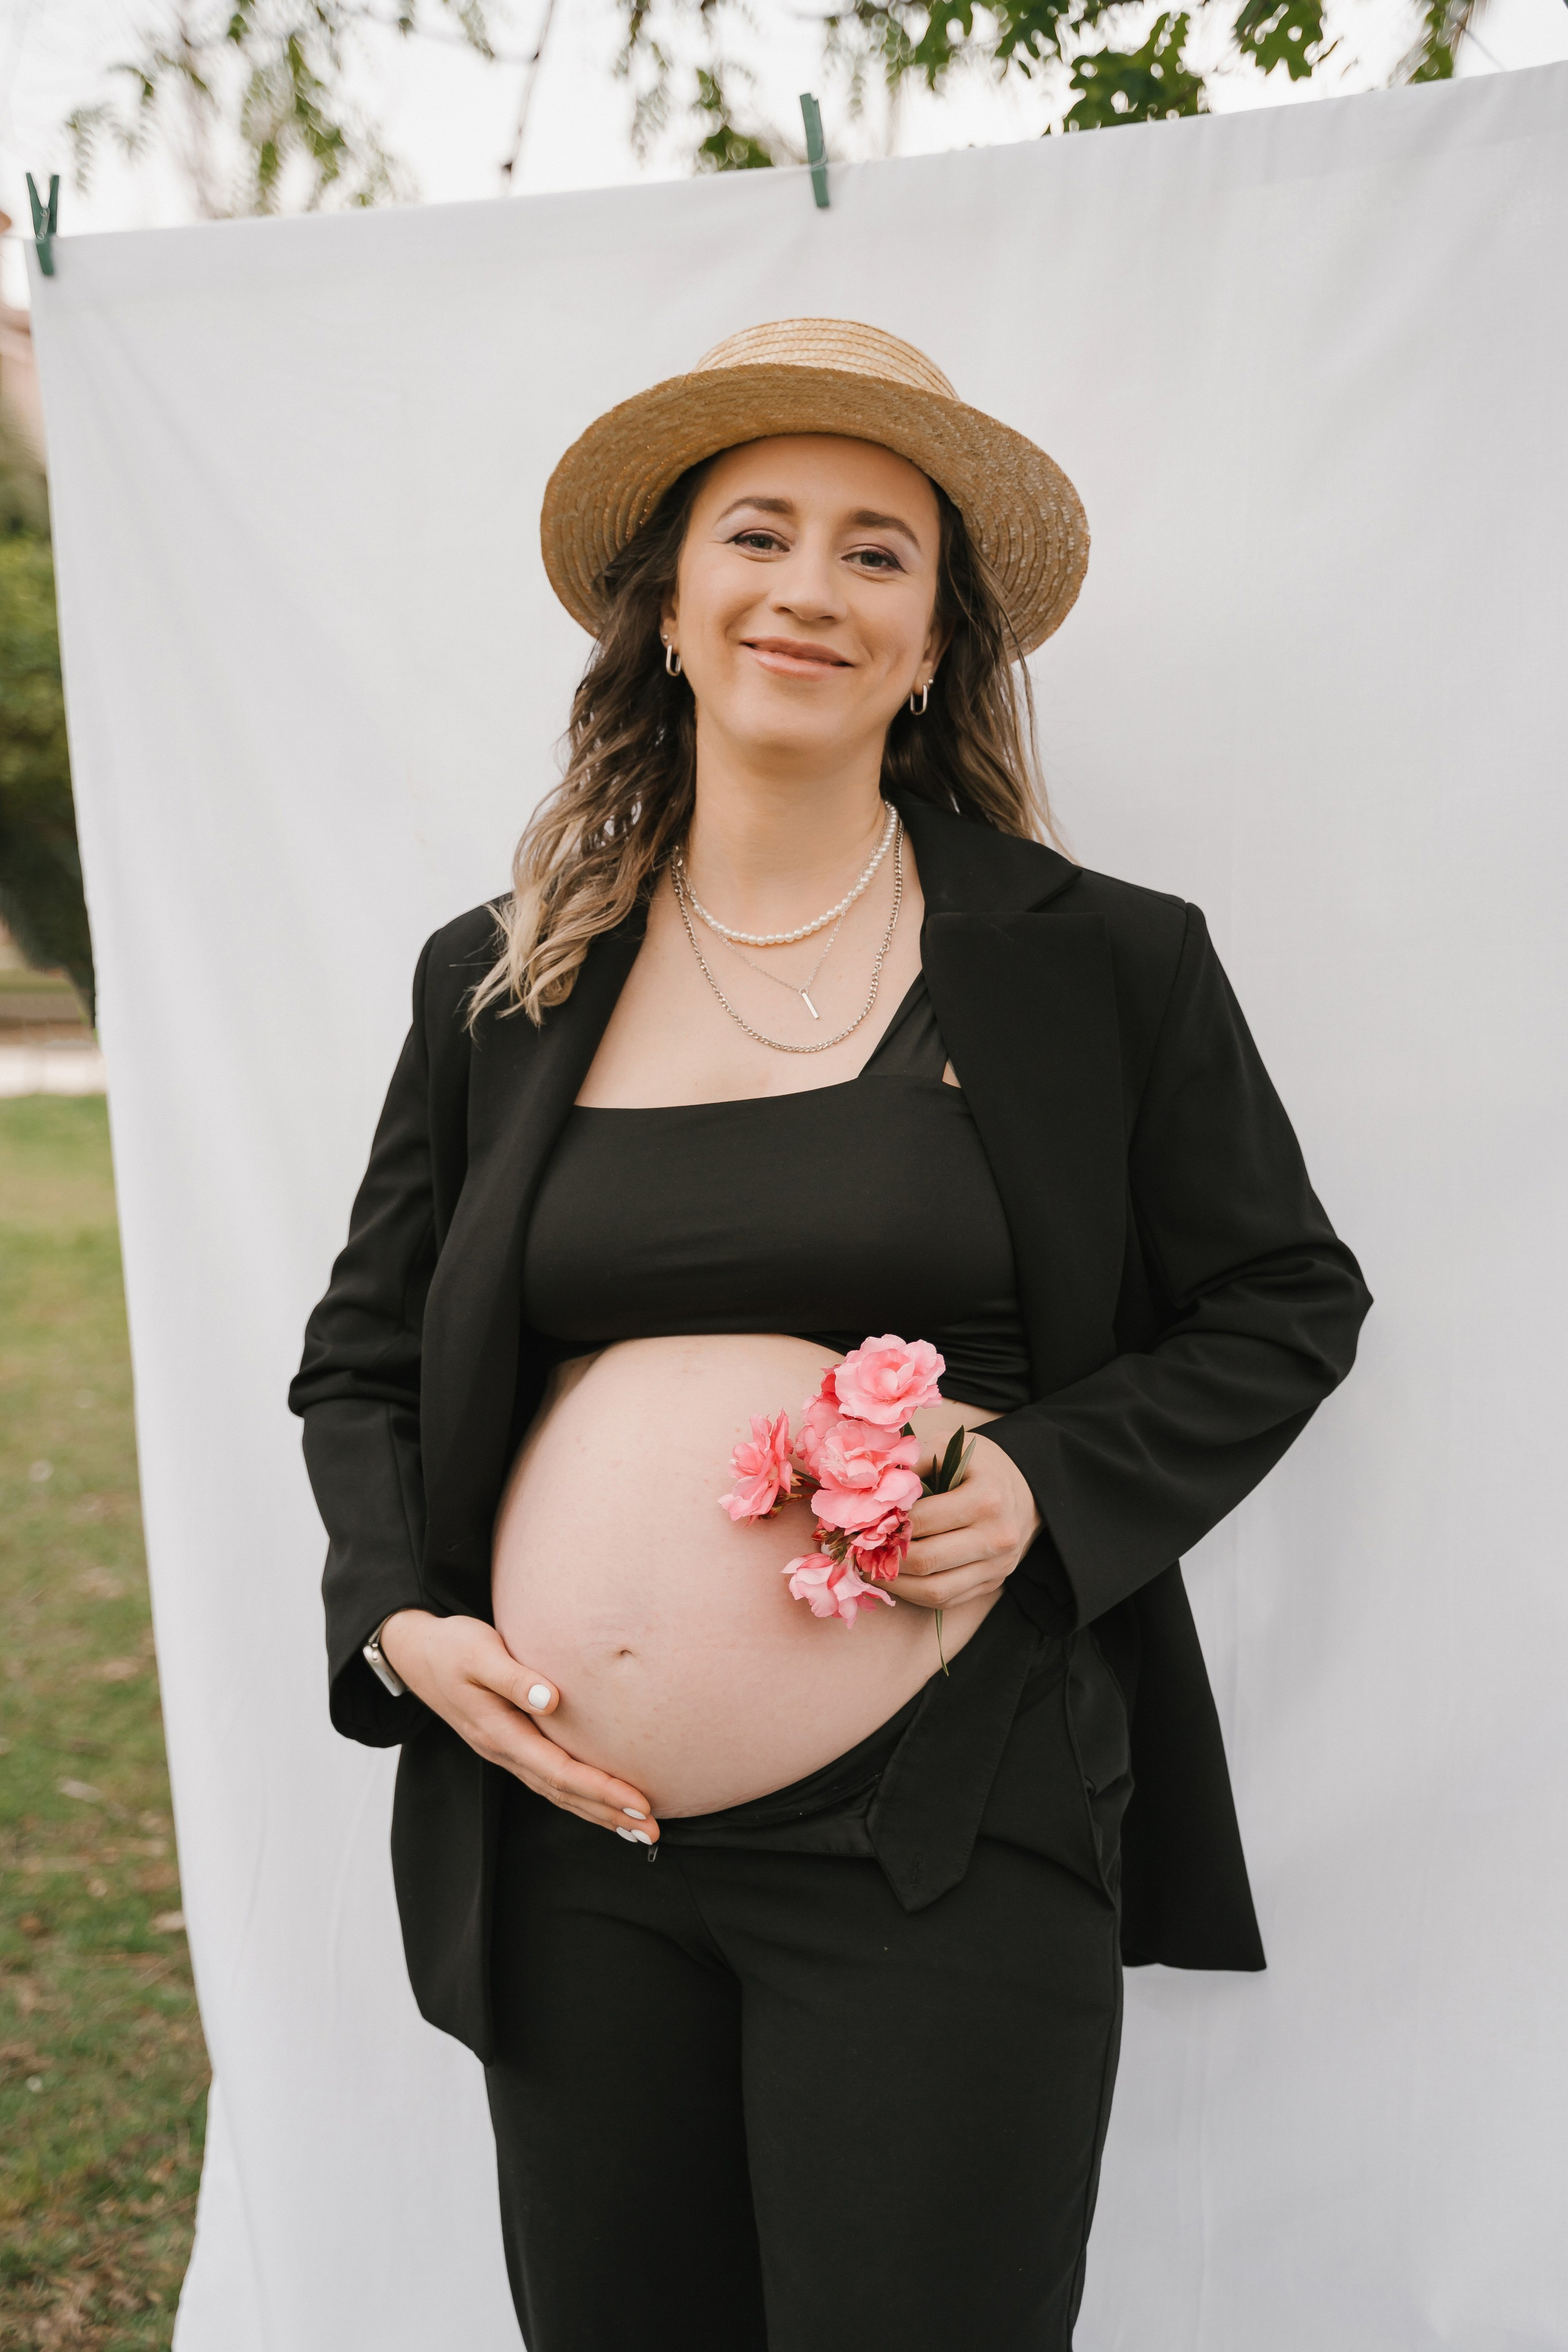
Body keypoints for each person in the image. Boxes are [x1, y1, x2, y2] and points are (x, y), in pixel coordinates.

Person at [289, 317, 1371, 2351]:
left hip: (942, 1845)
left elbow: (1285, 1297)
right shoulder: (505, 980)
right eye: (757, 535)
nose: (811, 587)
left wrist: (1048, 1481)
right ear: (673, 615)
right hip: (574, 1844)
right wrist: (399, 1616)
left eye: (879, 552)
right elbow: (362, 1359)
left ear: (939, 635)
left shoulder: (1101, 965)